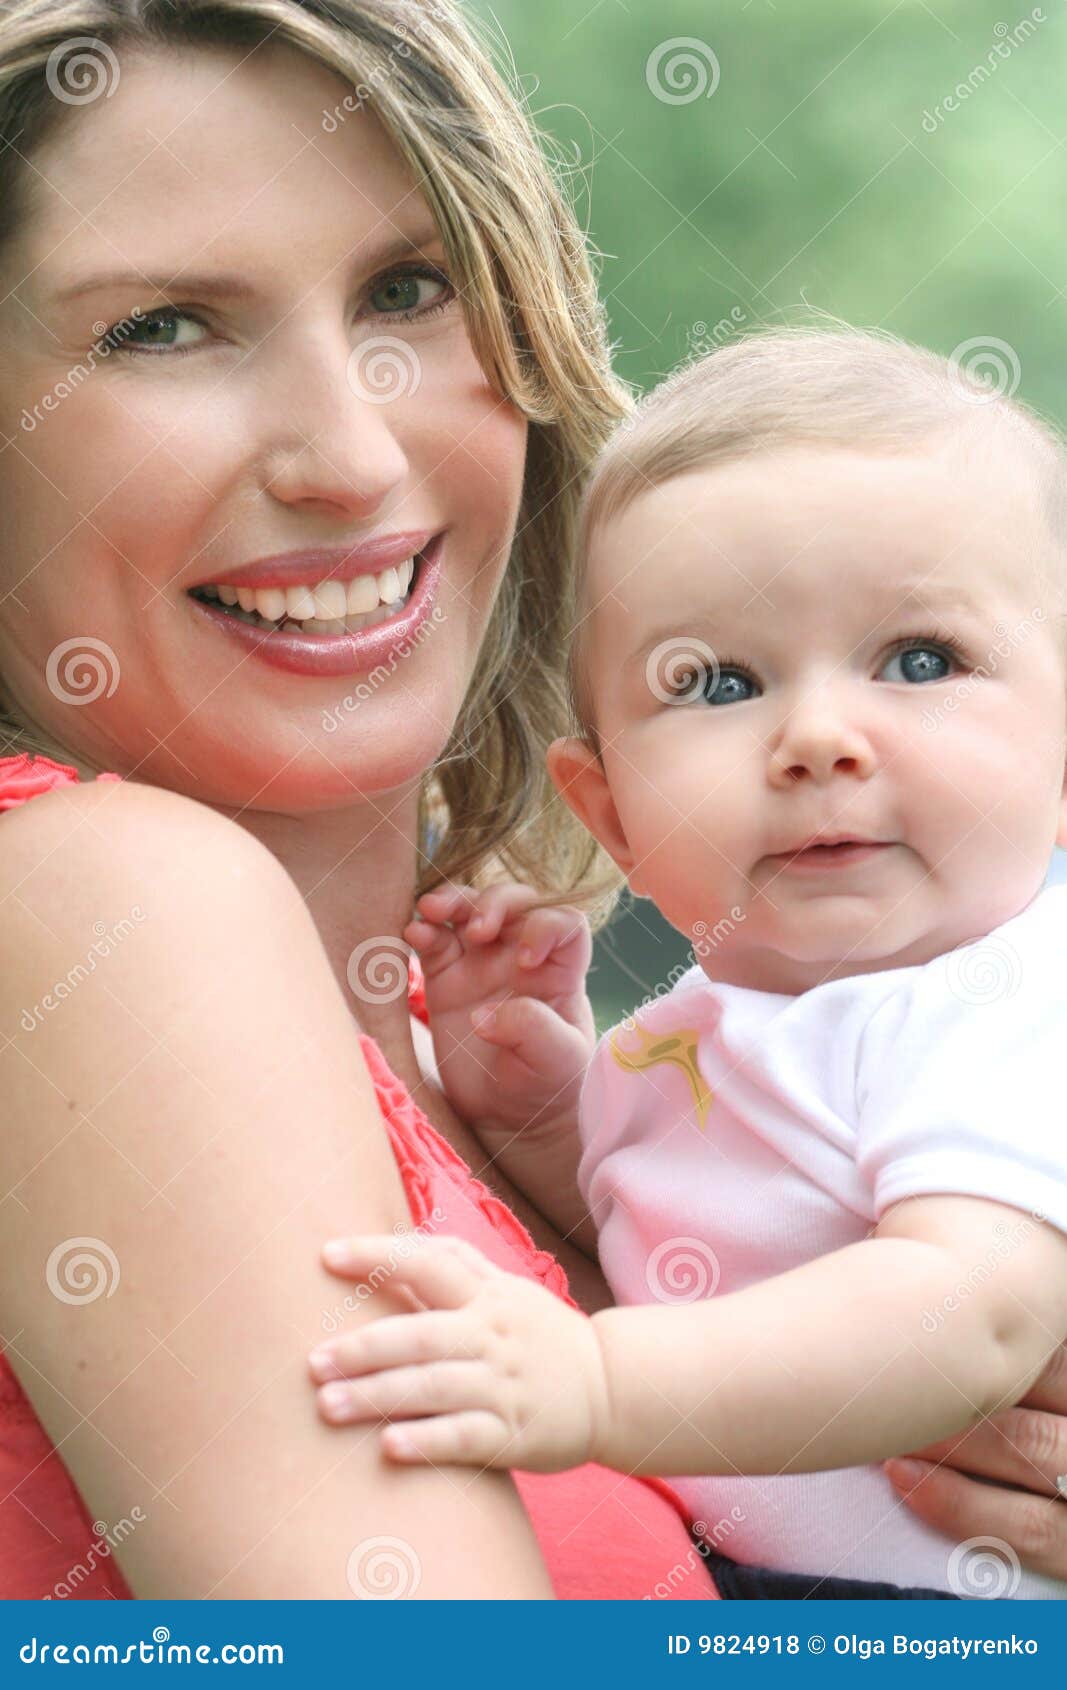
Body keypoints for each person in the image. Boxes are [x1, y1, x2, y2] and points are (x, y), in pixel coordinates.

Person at [0, 0, 1063, 1601]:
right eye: (161, 325)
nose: (350, 457)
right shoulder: (97, 903)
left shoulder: (553, 1068)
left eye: (410, 290)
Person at [302, 327, 1067, 1599]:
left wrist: (596, 1383)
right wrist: (545, 1105)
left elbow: (965, 1311)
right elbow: (671, 1227)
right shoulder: (706, 1018)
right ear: (609, 817)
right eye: (716, 682)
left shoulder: (1001, 1003)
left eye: (918, 661)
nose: (818, 736)